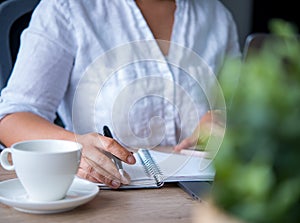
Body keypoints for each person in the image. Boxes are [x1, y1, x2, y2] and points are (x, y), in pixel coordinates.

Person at [0, 0, 240, 189]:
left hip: (203, 198)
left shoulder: (217, 17)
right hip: (105, 198)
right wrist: (72, 146)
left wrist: (223, 121)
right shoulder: (68, 8)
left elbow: (239, 111)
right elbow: (12, 117)